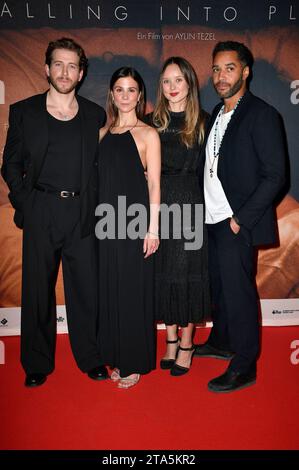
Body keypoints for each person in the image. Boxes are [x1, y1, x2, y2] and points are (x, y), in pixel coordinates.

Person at [1, 37, 108, 387]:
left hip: (81, 212)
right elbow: (10, 165)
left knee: (86, 291)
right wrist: (26, 204)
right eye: (58, 64)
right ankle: (36, 363)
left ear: (80, 73)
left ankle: (91, 357)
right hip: (41, 210)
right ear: (47, 69)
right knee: (37, 293)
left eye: (72, 66)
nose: (65, 71)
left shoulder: (94, 115)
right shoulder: (24, 111)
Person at [196, 41, 286, 392]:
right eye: (216, 69)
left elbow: (276, 175)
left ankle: (245, 365)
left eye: (229, 68)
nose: (220, 76)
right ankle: (222, 341)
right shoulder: (217, 113)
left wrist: (241, 219)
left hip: (236, 222)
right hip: (214, 219)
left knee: (239, 293)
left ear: (245, 71)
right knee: (220, 288)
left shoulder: (261, 114)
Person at [145, 57, 210, 376]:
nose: (172, 87)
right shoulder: (149, 122)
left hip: (191, 205)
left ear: (189, 83)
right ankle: (170, 339)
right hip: (159, 205)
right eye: (166, 81)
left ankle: (187, 343)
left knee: (186, 275)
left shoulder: (204, 122)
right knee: (164, 273)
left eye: (178, 80)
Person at [97, 67, 161, 389]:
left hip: (135, 223)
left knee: (133, 293)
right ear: (112, 94)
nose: (125, 95)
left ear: (140, 95)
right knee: (111, 290)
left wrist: (153, 229)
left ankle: (135, 361)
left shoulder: (148, 134)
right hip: (106, 223)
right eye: (119, 89)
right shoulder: (102, 134)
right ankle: (117, 355)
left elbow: (154, 185)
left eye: (131, 89)